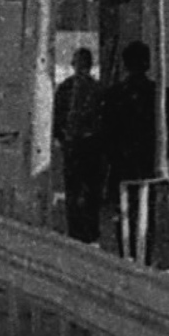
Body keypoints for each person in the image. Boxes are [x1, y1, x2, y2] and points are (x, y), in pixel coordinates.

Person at [104, 40, 160, 259]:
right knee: (147, 211)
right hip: (149, 162)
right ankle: (144, 255)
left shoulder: (114, 94)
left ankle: (125, 254)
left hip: (122, 163)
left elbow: (107, 131)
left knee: (123, 211)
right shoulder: (158, 94)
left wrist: (112, 157)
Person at [52, 45, 106, 243]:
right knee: (91, 190)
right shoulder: (98, 89)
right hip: (92, 146)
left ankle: (75, 231)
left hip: (74, 145)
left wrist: (63, 139)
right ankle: (91, 231)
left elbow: (57, 119)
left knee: (74, 191)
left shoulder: (65, 87)